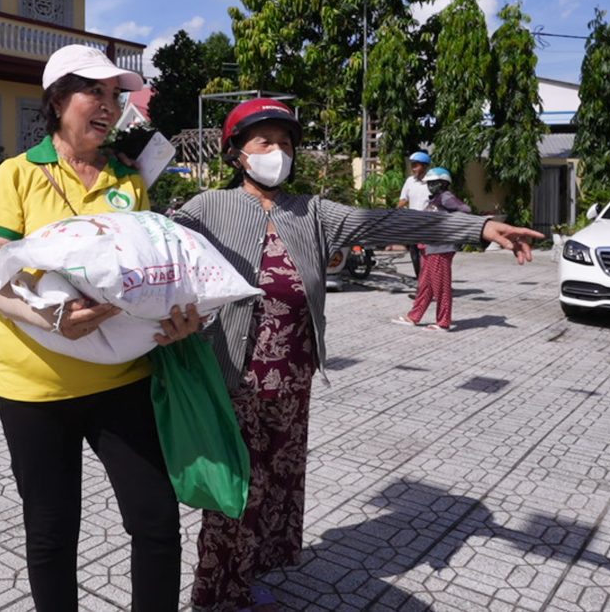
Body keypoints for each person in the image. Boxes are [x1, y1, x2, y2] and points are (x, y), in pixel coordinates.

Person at [172, 99, 541, 611]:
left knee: (277, 485)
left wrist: (478, 228)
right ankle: (217, 595)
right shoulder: (206, 208)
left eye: (285, 142)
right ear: (236, 153)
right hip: (235, 383)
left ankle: (252, 575)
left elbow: (390, 223)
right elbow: (160, 253)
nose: (277, 152)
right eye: (264, 142)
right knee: (235, 493)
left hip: (292, 382)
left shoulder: (313, 213)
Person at [0, 44, 201, 611]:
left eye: (115, 96)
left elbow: (147, 268)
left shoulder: (128, 178)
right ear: (56, 100)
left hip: (122, 380)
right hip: (35, 389)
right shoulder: (16, 176)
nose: (108, 106)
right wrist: (49, 316)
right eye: (93, 92)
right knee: (52, 535)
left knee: (155, 522)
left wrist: (174, 316)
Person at [396, 167, 473, 332]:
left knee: (441, 286)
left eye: (433, 183)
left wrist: (449, 227)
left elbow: (466, 210)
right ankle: (414, 317)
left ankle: (443, 322)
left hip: (440, 248)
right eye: (428, 184)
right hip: (428, 247)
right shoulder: (436, 199)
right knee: (425, 285)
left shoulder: (446, 197)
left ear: (443, 183)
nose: (430, 186)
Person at [397, 150, 432, 279]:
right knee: (414, 253)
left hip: (428, 223)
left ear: (424, 166)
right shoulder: (410, 181)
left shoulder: (432, 181)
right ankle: (420, 280)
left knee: (427, 254)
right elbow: (403, 199)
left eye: (416, 165)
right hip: (413, 222)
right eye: (412, 165)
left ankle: (428, 282)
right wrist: (395, 212)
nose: (413, 169)